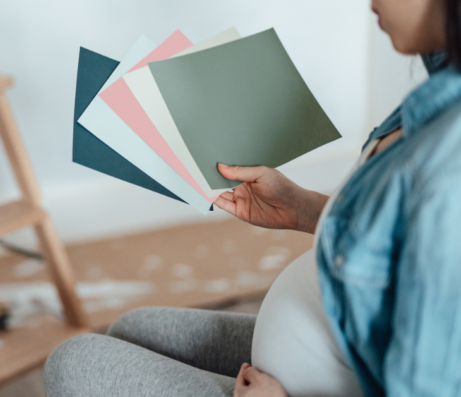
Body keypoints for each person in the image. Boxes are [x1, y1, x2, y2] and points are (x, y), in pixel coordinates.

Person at [44, 0, 461, 395]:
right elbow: (396, 240)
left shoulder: (446, 172)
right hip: (335, 332)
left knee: (74, 363)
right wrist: (304, 209)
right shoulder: (445, 85)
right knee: (133, 327)